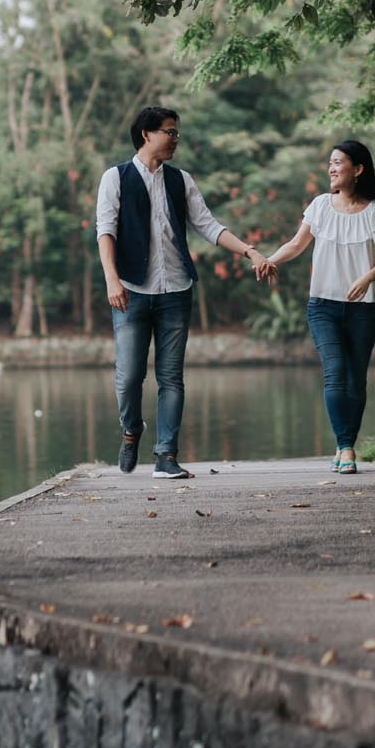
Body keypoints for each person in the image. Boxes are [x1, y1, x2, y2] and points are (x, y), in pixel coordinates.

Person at [96, 107, 268, 479]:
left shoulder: (180, 180)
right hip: (130, 291)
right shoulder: (116, 178)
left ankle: (165, 456)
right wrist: (111, 279)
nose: (175, 139)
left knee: (171, 377)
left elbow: (208, 225)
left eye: (176, 133)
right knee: (128, 377)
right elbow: (105, 231)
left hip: (176, 290)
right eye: (170, 132)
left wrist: (249, 251)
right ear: (146, 134)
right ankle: (131, 431)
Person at [255, 140, 375, 474]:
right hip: (323, 307)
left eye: (338, 162)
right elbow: (296, 244)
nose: (332, 169)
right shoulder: (320, 205)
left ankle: (345, 443)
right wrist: (269, 260)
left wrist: (366, 279)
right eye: (330, 163)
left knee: (356, 380)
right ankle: (346, 447)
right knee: (335, 372)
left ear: (358, 169)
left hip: (364, 308)